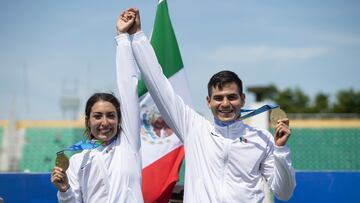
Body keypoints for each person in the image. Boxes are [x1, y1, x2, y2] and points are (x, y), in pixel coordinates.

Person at [123, 8, 296, 202]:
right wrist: (137, 36)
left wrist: (280, 150)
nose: (225, 104)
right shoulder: (193, 127)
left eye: (232, 97)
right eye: (218, 98)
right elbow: (158, 83)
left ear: (243, 99)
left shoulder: (262, 138)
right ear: (208, 101)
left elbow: (284, 192)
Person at [51, 10, 144, 203]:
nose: (105, 122)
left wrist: (123, 38)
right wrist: (65, 190)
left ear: (120, 119)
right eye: (98, 116)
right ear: (87, 121)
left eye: (111, 115)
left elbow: (128, 85)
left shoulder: (129, 144)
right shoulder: (77, 161)